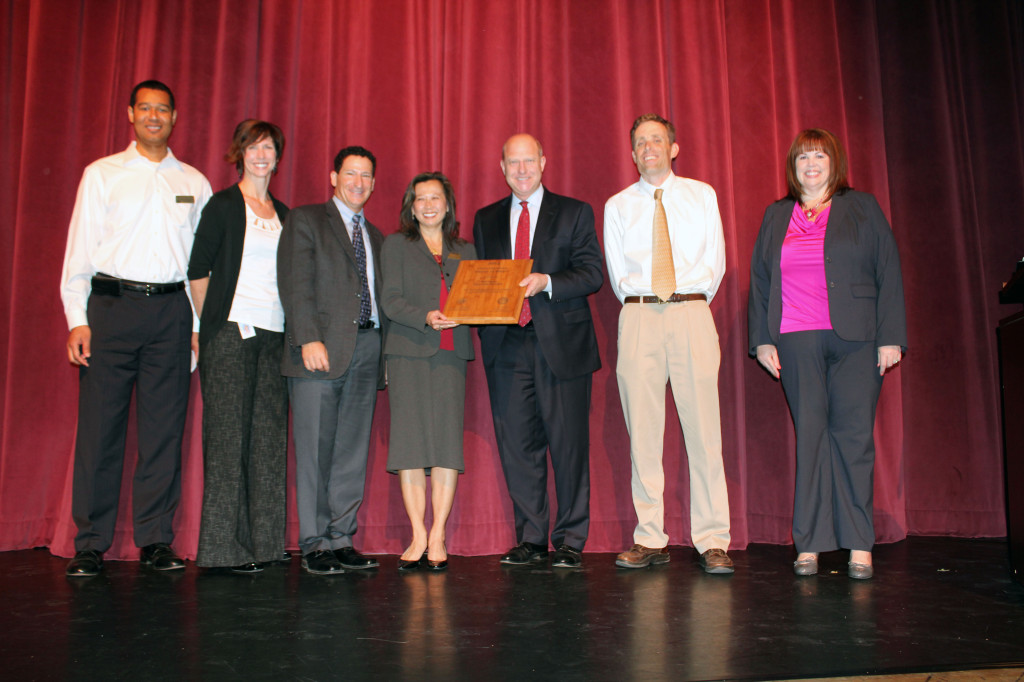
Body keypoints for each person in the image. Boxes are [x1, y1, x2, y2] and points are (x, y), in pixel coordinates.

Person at [60, 80, 212, 577]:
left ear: (174, 117)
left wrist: (195, 326)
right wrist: (77, 321)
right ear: (130, 114)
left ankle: (155, 540)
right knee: (100, 432)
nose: (153, 116)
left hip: (171, 314)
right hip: (111, 309)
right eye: (145, 108)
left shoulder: (194, 180)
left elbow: (200, 266)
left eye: (162, 109)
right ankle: (91, 543)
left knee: (163, 432)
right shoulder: (103, 174)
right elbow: (79, 254)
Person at [748, 128, 907, 580]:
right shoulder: (776, 215)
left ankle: (859, 542)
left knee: (853, 438)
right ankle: (810, 543)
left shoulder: (862, 207)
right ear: (792, 168)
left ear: (834, 163)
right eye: (802, 158)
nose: (811, 165)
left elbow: (888, 269)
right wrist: (762, 339)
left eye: (819, 156)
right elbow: (761, 281)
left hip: (857, 339)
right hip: (796, 339)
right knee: (812, 439)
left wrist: (890, 336)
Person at [603, 112, 734, 574]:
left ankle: (713, 538)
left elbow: (715, 264)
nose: (648, 148)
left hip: (690, 311)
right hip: (638, 314)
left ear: (673, 148)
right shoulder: (617, 205)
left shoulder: (701, 195)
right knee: (643, 434)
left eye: (657, 140)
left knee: (704, 432)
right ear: (633, 151)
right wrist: (645, 304)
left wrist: (685, 301)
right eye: (640, 142)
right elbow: (618, 271)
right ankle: (650, 537)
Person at [473, 134, 603, 570]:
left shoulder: (574, 211)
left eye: (530, 161)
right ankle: (530, 538)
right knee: (518, 447)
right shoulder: (485, 218)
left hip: (561, 346)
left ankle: (569, 539)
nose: (522, 169)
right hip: (506, 346)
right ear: (502, 167)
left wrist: (547, 281)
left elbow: (591, 274)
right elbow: (482, 281)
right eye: (514, 162)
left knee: (568, 446)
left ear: (544, 162)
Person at [277, 146, 387, 575]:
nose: (358, 182)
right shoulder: (306, 221)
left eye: (366, 175)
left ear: (374, 184)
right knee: (315, 450)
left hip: (367, 349)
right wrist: (307, 338)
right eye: (350, 173)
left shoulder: (376, 236)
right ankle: (314, 542)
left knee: (350, 451)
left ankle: (342, 537)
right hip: (317, 352)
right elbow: (294, 283)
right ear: (333, 177)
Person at [188, 120, 290, 574]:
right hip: (230, 334)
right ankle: (222, 548)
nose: (261, 154)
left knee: (267, 443)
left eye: (268, 147)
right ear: (239, 153)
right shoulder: (223, 206)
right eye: (253, 146)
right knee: (228, 443)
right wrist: (213, 327)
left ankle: (265, 545)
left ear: (277, 155)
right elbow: (198, 270)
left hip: (275, 339)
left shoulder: (285, 213)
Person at [380, 172, 477, 572]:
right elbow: (390, 300)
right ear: (411, 205)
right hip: (408, 353)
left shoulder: (465, 249)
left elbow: (477, 298)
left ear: (448, 204)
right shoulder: (396, 245)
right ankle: (416, 534)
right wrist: (424, 316)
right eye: (421, 198)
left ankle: (437, 534)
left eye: (436, 197)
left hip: (451, 356)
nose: (429, 204)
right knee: (410, 448)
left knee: (445, 448)